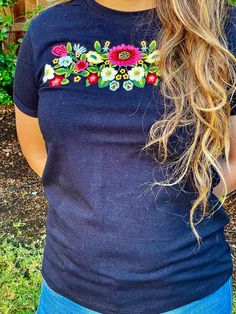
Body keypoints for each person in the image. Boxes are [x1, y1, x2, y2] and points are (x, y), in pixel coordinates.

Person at [13, 0, 236, 313]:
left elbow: (234, 160)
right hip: (69, 295)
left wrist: (190, 193)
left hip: (191, 295)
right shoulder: (46, 31)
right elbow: (37, 150)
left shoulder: (221, 29)